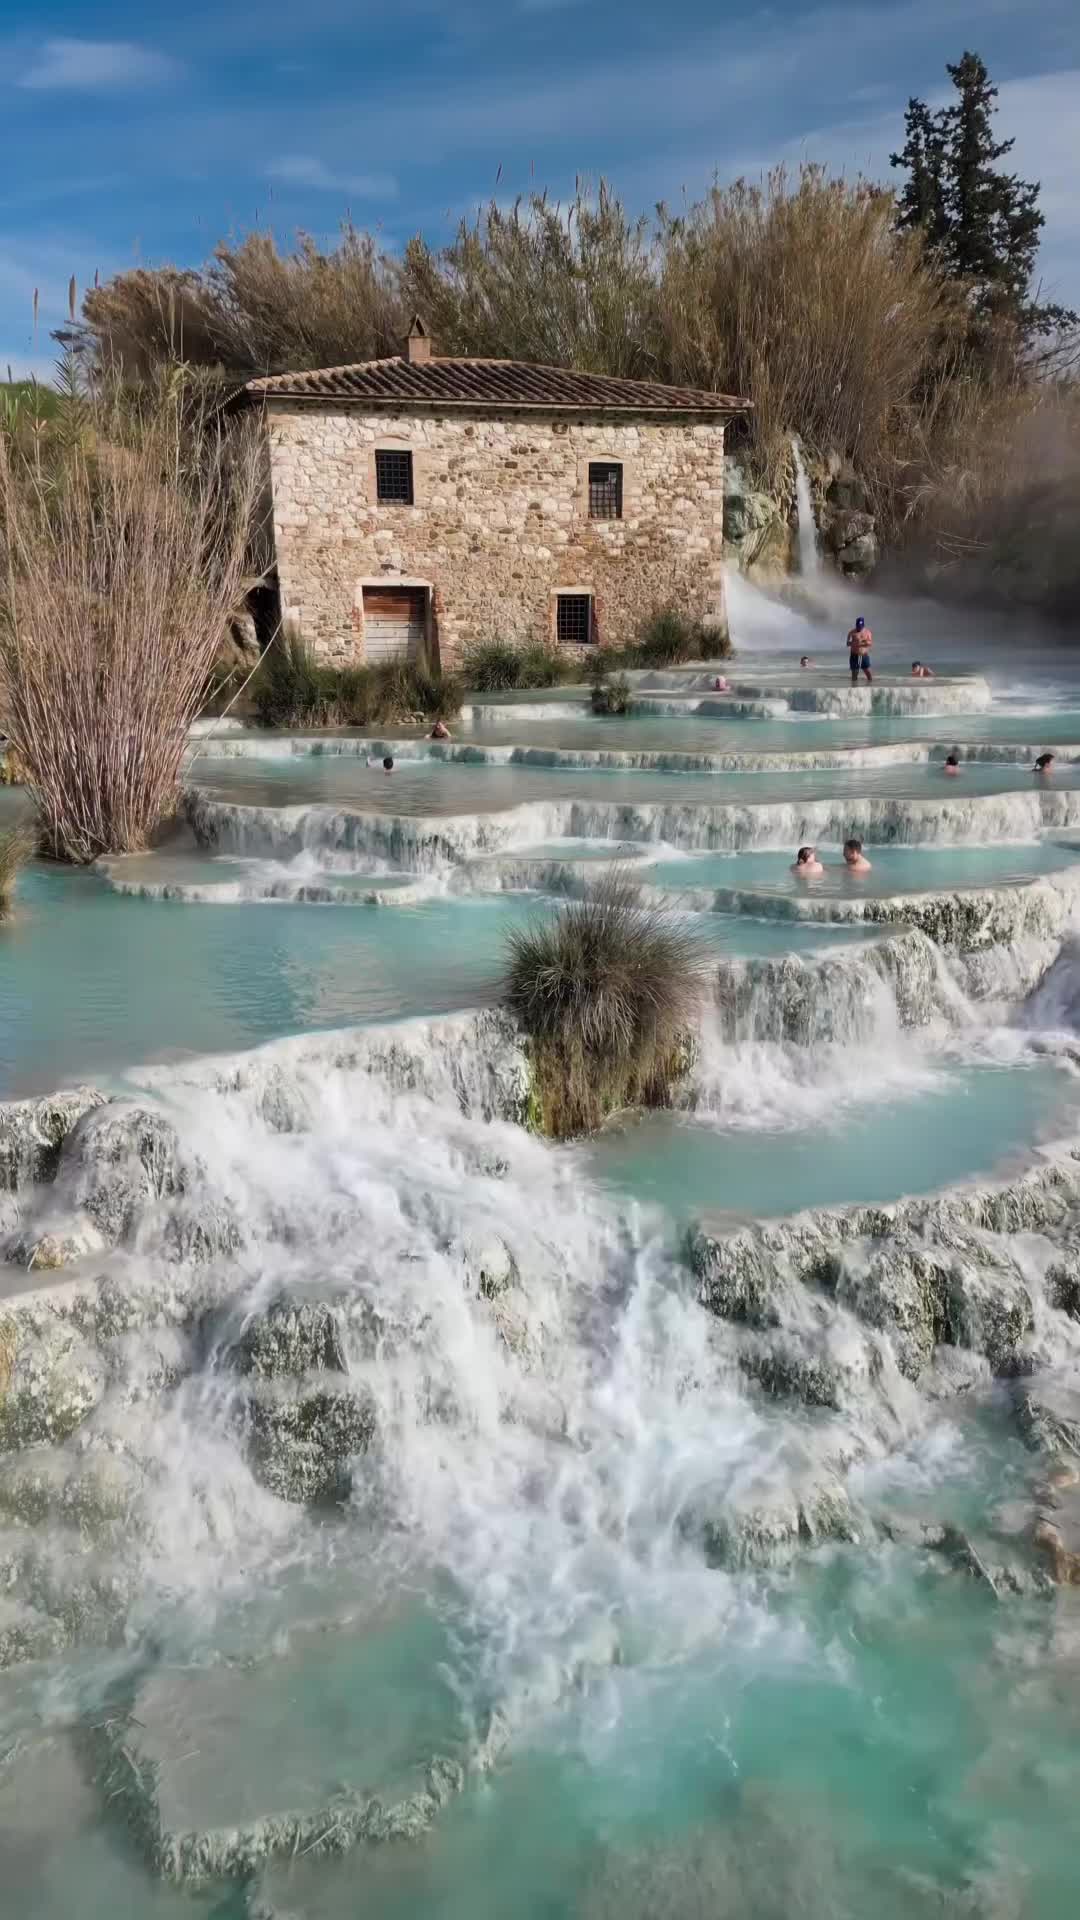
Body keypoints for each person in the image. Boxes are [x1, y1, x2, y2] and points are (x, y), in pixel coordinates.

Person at [846, 616, 872, 684]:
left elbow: (869, 643)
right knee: (854, 672)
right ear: (856, 624)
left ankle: (870, 685)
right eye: (858, 626)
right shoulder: (851, 632)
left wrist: (862, 643)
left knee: (867, 671)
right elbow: (848, 643)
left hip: (863, 655)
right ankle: (854, 687)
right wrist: (854, 643)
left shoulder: (867, 632)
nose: (859, 627)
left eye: (861, 626)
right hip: (854, 655)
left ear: (863, 625)